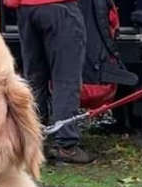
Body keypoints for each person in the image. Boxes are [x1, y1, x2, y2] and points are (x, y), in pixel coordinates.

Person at [5, 0, 94, 164]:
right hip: (60, 8)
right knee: (66, 78)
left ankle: (32, 140)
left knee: (34, 79)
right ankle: (66, 146)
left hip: (25, 10)